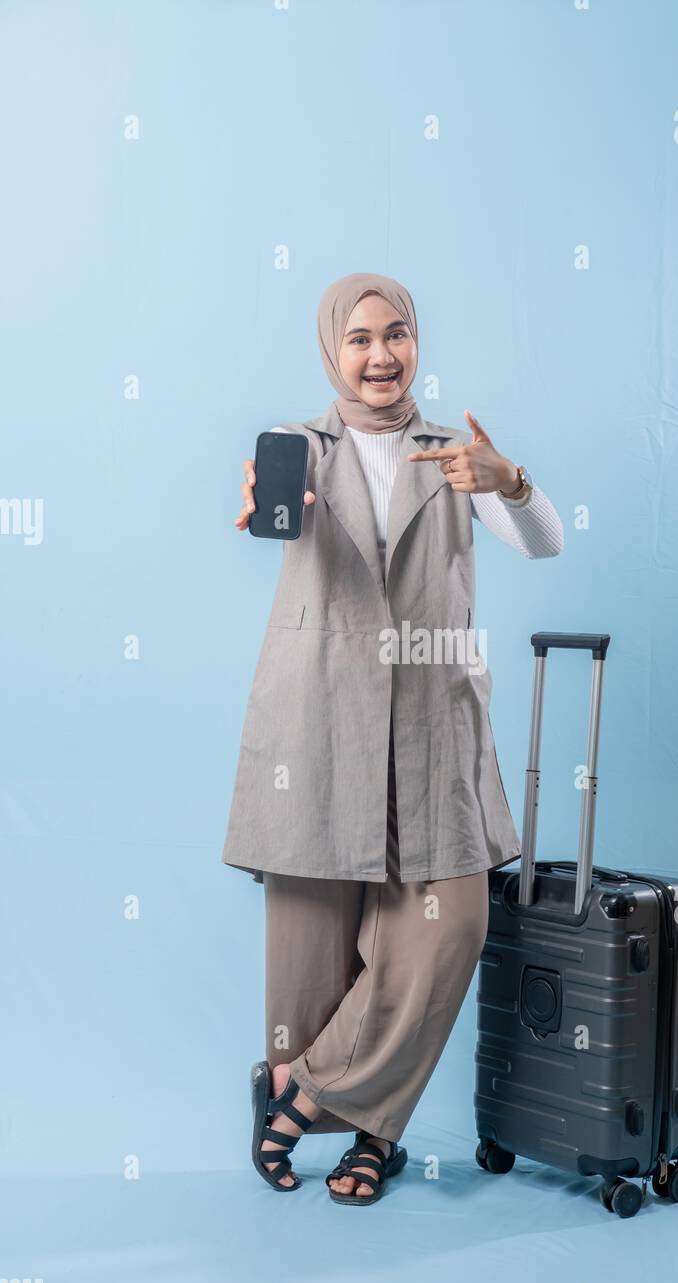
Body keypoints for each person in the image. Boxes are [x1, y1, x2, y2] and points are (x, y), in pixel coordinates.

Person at [224, 271, 564, 1203]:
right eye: (360, 338)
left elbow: (545, 543)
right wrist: (260, 498)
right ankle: (370, 1132)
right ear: (332, 351)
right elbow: (265, 506)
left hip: (430, 723)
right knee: (313, 951)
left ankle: (303, 1096)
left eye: (398, 334)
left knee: (447, 922)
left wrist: (514, 480)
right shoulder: (299, 446)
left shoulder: (455, 457)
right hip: (318, 724)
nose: (381, 355)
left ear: (417, 343)